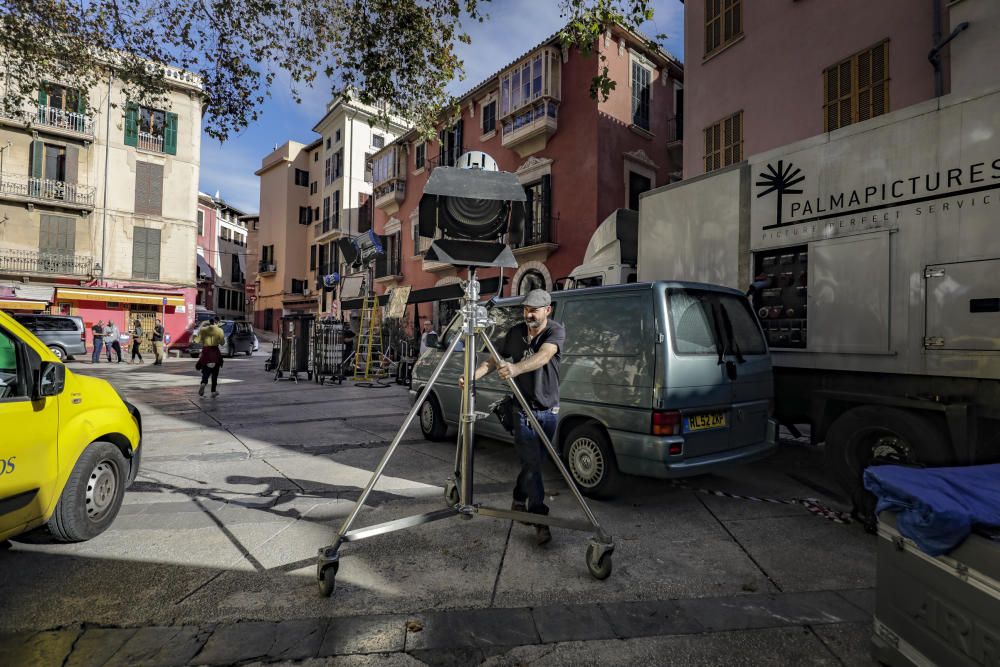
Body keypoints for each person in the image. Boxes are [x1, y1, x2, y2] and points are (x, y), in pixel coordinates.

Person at [461, 289, 564, 545]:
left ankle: (518, 498)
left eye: (534, 310)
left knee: (534, 464)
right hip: (522, 410)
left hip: (548, 410)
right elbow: (493, 360)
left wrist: (517, 368)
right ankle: (540, 519)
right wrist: (472, 375)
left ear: (547, 310)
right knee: (534, 462)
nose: (529, 314)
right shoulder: (516, 332)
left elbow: (545, 356)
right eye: (526, 309)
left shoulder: (555, 331)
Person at [194, 318, 225, 397]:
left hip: (206, 353)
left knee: (205, 372)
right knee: (215, 374)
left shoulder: (203, 330)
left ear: (209, 322)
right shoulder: (220, 330)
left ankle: (203, 384)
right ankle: (213, 391)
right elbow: (222, 343)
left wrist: (195, 336)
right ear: (217, 322)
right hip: (215, 353)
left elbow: (197, 340)